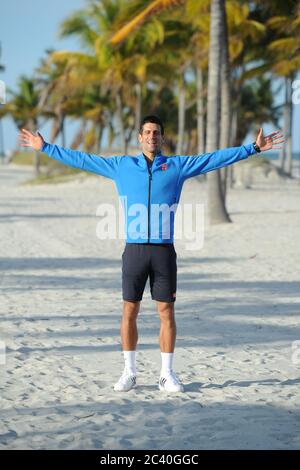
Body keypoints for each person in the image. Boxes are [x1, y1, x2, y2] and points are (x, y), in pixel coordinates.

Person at [19, 116, 283, 393]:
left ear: (162, 137)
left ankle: (166, 374)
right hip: (134, 250)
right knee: (129, 311)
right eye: (147, 132)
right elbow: (83, 160)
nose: (151, 136)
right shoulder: (121, 166)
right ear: (139, 137)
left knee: (166, 312)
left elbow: (213, 159)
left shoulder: (177, 166)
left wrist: (252, 149)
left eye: (156, 132)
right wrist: (46, 147)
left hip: (163, 251)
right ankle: (129, 372)